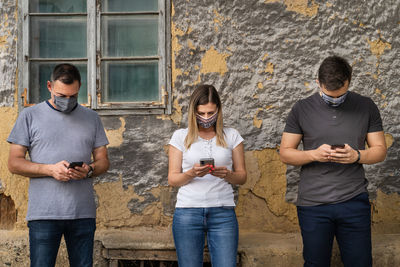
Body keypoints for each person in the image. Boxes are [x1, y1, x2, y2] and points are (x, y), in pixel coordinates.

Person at [279, 55, 387, 267]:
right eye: (330, 95)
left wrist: (357, 156)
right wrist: (313, 155)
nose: (335, 99)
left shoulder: (366, 106)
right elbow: (285, 153)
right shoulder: (301, 109)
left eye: (341, 94)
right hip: (313, 205)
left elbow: (380, 150)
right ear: (318, 82)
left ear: (349, 81)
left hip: (354, 201)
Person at [7, 63, 109, 267]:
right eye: (62, 96)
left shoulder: (92, 117)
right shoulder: (29, 116)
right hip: (43, 214)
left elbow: (103, 161)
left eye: (73, 96)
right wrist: (50, 170)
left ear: (79, 88)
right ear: (49, 86)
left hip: (83, 213)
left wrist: (89, 170)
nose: (68, 101)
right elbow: (14, 163)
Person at [168, 84, 247, 267]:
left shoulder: (232, 135)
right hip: (188, 212)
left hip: (223, 212)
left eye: (210, 113)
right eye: (201, 113)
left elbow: (242, 177)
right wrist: (191, 173)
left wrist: (227, 174)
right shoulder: (180, 136)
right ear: (193, 112)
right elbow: (173, 179)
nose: (205, 118)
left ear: (218, 110)